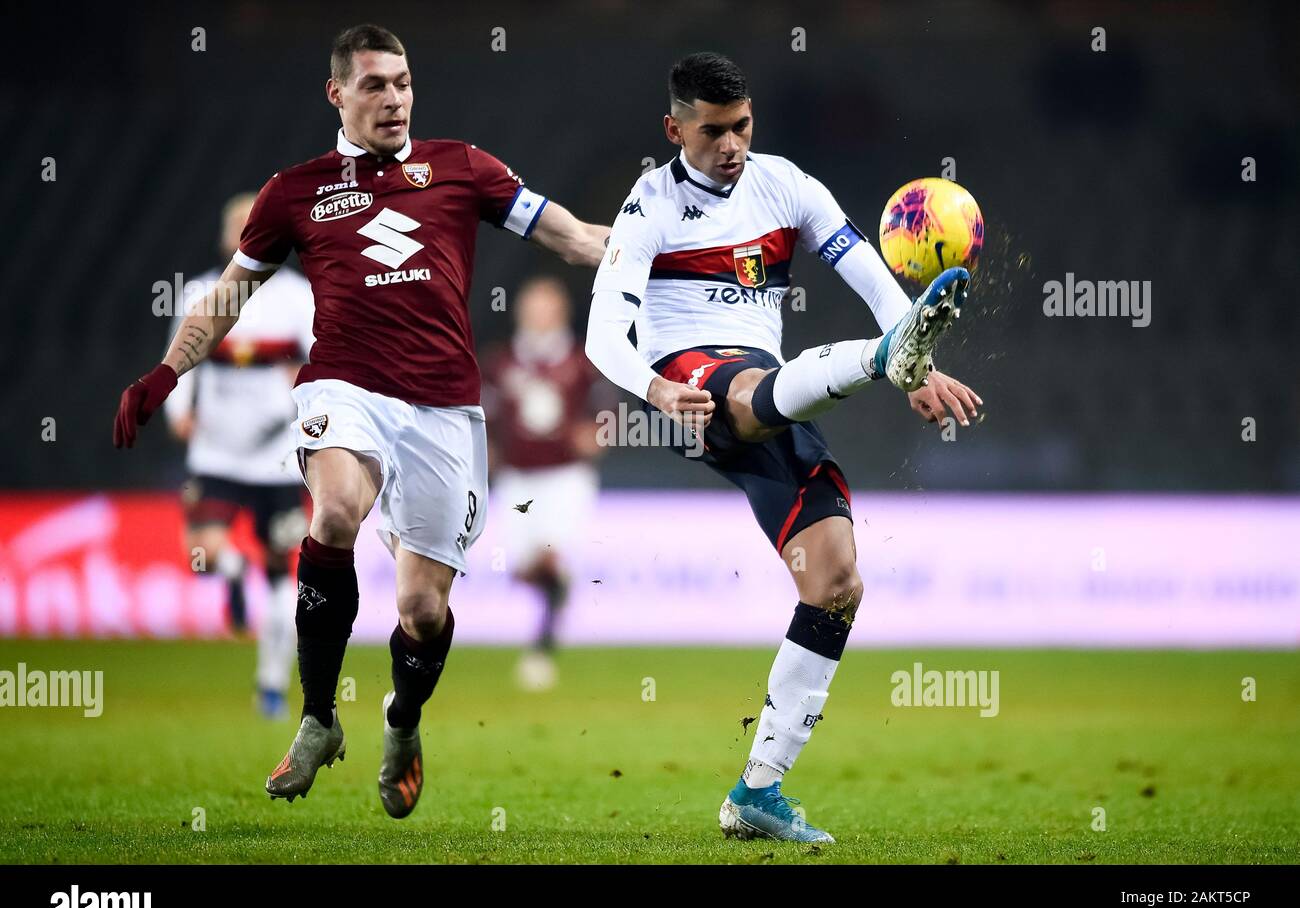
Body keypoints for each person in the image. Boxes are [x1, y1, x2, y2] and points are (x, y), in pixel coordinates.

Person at [114, 23, 610, 820]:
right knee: (336, 509)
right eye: (375, 84)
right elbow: (227, 295)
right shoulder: (295, 190)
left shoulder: (463, 166)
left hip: (446, 409)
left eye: (403, 82)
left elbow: (578, 237)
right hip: (345, 386)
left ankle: (401, 721)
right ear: (336, 93)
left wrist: (681, 254)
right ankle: (316, 717)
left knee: (423, 611)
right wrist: (167, 372)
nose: (393, 98)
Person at [584, 52, 983, 842]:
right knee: (742, 388)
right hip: (688, 386)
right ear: (675, 130)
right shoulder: (648, 206)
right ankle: (876, 360)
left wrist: (917, 354)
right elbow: (602, 331)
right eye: (712, 131)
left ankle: (756, 792)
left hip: (774, 391)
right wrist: (654, 388)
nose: (731, 144)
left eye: (742, 126)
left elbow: (868, 271)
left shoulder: (786, 184)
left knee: (836, 581)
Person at [163, 193, 315, 719]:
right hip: (217, 452)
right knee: (200, 554)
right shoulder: (203, 292)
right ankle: (231, 571)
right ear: (227, 236)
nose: (244, 232)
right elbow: (180, 356)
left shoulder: (298, 296)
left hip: (276, 455)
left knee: (282, 573)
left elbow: (324, 359)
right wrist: (177, 409)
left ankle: (270, 684)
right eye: (236, 225)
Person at [481, 277, 611, 690]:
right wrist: (485, 449)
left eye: (545, 307)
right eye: (531, 307)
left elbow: (608, 409)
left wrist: (597, 435)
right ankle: (555, 595)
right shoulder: (500, 363)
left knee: (550, 556)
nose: (537, 315)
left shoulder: (581, 361)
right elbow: (481, 414)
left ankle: (542, 646)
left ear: (560, 313)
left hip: (565, 477)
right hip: (517, 479)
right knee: (523, 569)